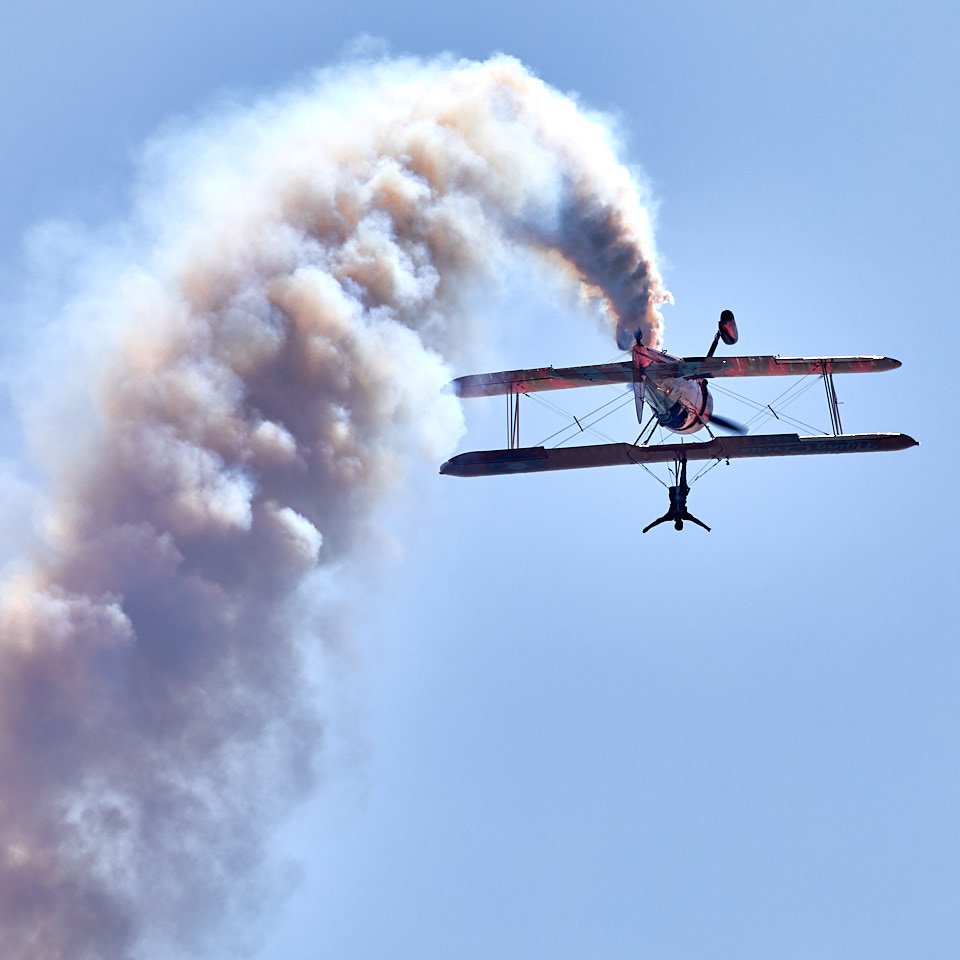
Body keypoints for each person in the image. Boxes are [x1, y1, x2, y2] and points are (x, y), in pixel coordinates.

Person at [642, 458, 711, 533]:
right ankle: (684, 463)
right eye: (680, 523)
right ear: (682, 523)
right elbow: (696, 521)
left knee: (682, 484)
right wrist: (706, 527)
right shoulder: (685, 516)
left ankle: (684, 464)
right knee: (683, 482)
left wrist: (648, 528)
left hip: (674, 493)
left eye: (678, 523)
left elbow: (658, 521)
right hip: (682, 493)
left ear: (676, 523)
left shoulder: (670, 516)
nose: (679, 521)